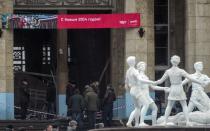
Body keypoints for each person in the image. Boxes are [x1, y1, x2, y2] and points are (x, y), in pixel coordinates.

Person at [155, 55, 204, 126]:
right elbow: (190, 78)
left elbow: (160, 81)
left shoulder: (168, 71)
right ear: (179, 62)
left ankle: (165, 121)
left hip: (173, 88)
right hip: (179, 88)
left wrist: (153, 82)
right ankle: (187, 121)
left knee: (169, 106)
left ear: (171, 61)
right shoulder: (181, 71)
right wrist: (200, 82)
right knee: (184, 105)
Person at [125, 56, 155, 127]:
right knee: (146, 104)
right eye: (135, 60)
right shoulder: (134, 71)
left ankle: (131, 123)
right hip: (137, 90)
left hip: (132, 90)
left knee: (137, 107)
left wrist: (129, 91)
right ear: (133, 62)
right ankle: (141, 122)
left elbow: (126, 83)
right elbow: (140, 79)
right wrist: (151, 81)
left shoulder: (128, 71)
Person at [136, 61, 168, 126]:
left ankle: (154, 124)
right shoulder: (138, 76)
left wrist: (163, 88)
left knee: (155, 108)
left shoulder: (145, 76)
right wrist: (153, 82)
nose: (144, 67)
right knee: (144, 106)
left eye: (144, 66)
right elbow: (141, 82)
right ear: (139, 67)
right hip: (142, 95)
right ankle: (141, 122)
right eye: (142, 66)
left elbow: (153, 87)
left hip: (147, 96)